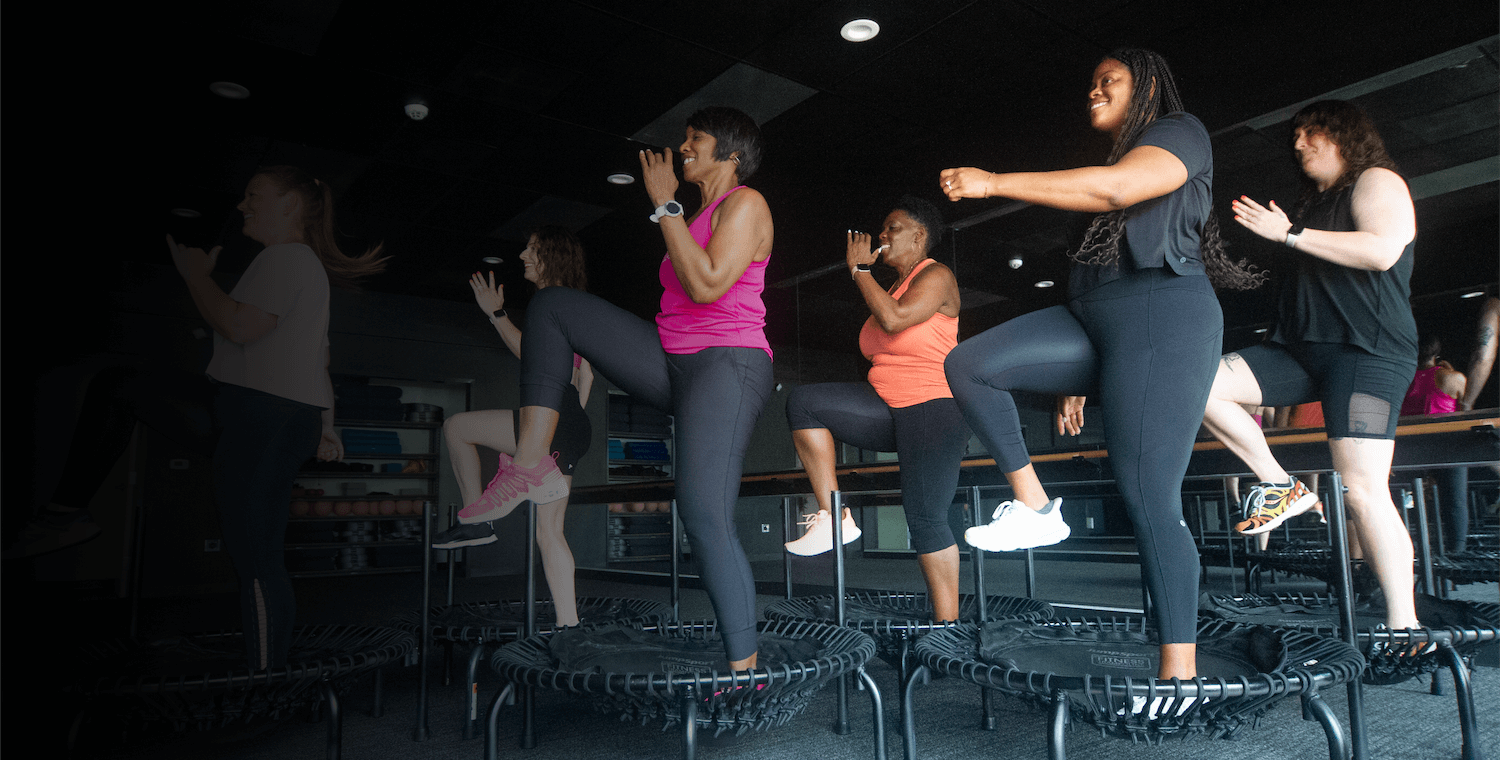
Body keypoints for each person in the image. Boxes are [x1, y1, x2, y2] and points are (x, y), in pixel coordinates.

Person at [940, 48, 1263, 684]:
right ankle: (1035, 506)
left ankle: (1180, 680)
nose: (1093, 90)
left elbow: (1116, 188)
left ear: (1145, 88)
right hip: (1097, 321)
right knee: (971, 364)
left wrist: (994, 182)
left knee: (1148, 498)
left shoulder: (1180, 132)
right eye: (1090, 82)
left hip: (1164, 319)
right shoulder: (1114, 161)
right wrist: (1074, 380)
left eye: (1107, 80)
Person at [10, 166, 386, 670]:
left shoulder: (287, 259)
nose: (242, 205)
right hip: (248, 407)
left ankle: (268, 679)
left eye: (254, 196)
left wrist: (195, 277)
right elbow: (316, 359)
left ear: (290, 205)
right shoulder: (297, 266)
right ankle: (63, 516)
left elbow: (238, 325)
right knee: (121, 387)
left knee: (255, 559)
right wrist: (326, 426)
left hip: (263, 414)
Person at [466, 107, 773, 670]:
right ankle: (531, 461)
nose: (682, 149)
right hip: (671, 357)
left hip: (727, 365)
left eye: (694, 141)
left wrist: (664, 206)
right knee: (555, 306)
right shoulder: (696, 213)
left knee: (703, 513)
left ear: (729, 155)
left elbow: (707, 285)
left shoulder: (746, 204)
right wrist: (672, 211)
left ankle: (744, 669)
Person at [1200, 99, 1423, 634]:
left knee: (1364, 489)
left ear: (1343, 136)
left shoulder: (1377, 180)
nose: (1298, 145)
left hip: (1365, 357)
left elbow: (1382, 250)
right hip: (1299, 351)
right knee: (1196, 382)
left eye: (1310, 134)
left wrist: (1288, 235)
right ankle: (1280, 486)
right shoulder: (1311, 206)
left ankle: (1405, 625)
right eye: (1295, 136)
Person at [783, 195, 969, 621]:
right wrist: (866, 277)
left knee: (924, 518)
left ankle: (948, 627)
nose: (882, 235)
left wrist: (859, 270)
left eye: (892, 228)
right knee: (805, 402)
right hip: (887, 409)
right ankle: (833, 516)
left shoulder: (936, 275)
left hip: (932, 409)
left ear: (920, 234)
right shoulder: (891, 286)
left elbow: (895, 320)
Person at [430, 228, 594, 627]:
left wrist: (496, 314)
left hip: (550, 425)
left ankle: (479, 520)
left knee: (456, 427)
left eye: (531, 249)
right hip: (565, 426)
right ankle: (568, 626)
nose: (522, 254)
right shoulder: (571, 305)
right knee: (549, 533)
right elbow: (585, 374)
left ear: (550, 256)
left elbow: (532, 353)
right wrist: (567, 429)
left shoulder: (552, 303)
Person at [1400, 335, 1470, 553]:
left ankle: (1408, 548)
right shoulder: (1454, 378)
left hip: (1409, 448)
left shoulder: (1400, 378)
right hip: (1447, 445)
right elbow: (1464, 411)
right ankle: (1456, 555)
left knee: (1405, 501)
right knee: (1455, 501)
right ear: (1437, 353)